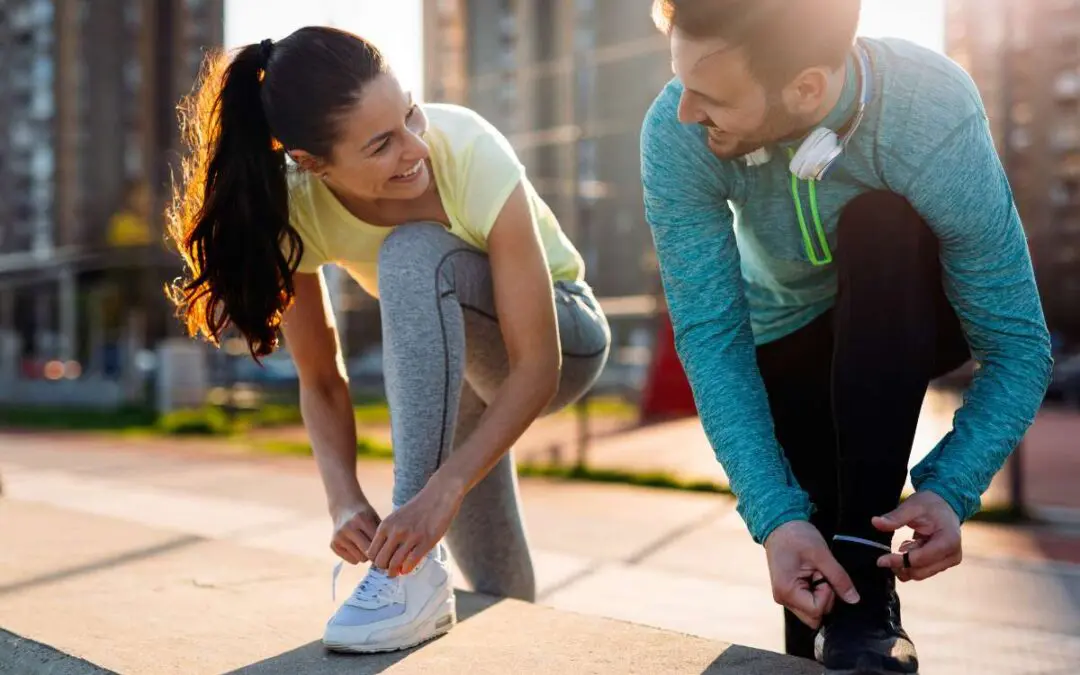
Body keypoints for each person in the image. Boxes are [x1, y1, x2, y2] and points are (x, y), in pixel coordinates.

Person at [165, 27, 610, 654]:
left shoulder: (469, 149)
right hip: (458, 368)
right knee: (495, 581)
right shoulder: (297, 211)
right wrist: (343, 500)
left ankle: (399, 577)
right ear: (312, 164)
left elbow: (538, 365)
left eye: (408, 112)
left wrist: (438, 491)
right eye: (381, 144)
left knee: (411, 254)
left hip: (566, 339)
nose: (414, 148)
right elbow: (321, 378)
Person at [640, 1, 1052, 673]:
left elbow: (1018, 346)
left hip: (911, 311)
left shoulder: (930, 110)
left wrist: (952, 486)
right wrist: (775, 517)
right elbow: (713, 339)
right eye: (681, 80)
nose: (686, 110)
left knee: (881, 221)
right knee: (815, 576)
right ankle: (852, 617)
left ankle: (867, 593)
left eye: (710, 94)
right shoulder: (675, 131)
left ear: (805, 87)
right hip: (787, 336)